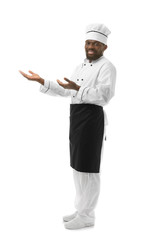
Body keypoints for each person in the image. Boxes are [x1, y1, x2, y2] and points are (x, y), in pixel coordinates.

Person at [19, 23, 116, 230]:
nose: (91, 46)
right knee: (78, 167)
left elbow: (104, 96)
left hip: (91, 120)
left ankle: (87, 215)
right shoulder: (79, 67)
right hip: (77, 119)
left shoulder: (107, 67)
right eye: (88, 43)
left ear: (104, 47)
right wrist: (42, 81)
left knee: (89, 169)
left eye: (96, 44)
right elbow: (67, 91)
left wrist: (77, 88)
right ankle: (81, 209)